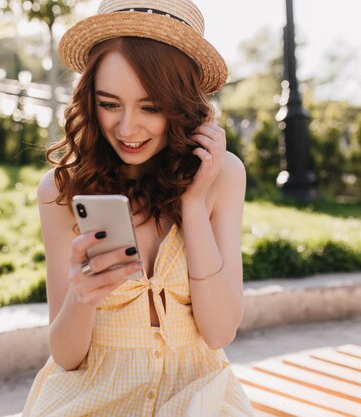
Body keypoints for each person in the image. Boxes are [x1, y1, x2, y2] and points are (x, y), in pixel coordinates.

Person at [23, 0, 254, 415]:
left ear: (182, 104)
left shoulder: (224, 177)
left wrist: (195, 204)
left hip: (198, 398)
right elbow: (65, 355)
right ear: (90, 100)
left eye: (150, 107)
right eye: (110, 104)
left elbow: (219, 331)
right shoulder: (61, 190)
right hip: (93, 400)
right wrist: (83, 296)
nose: (127, 128)